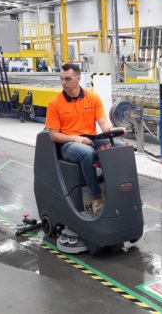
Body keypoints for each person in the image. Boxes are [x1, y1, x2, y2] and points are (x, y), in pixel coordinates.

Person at [45, 63, 124, 217]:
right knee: (87, 153)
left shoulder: (92, 97)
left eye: (67, 79)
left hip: (93, 139)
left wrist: (114, 131)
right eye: (61, 79)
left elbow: (103, 125)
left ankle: (119, 191)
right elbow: (53, 135)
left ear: (78, 79)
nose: (63, 83)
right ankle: (96, 197)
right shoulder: (55, 103)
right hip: (68, 144)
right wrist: (76, 138)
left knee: (120, 147)